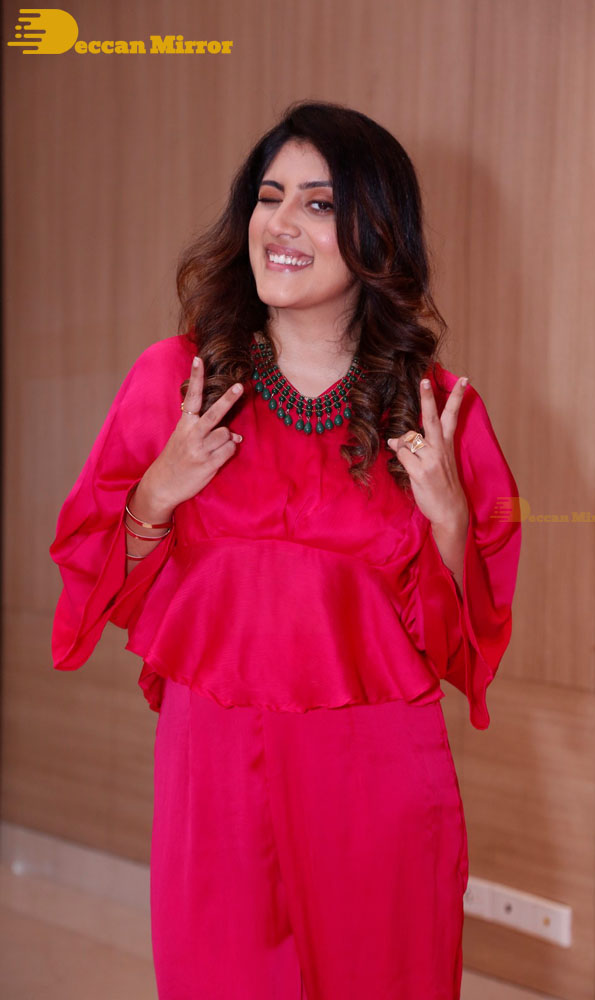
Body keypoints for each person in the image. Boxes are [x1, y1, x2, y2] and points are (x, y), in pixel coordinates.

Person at [49, 99, 521, 1000]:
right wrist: (157, 492)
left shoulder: (434, 408)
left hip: (374, 765)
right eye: (270, 198)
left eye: (318, 202)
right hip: (214, 765)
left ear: (376, 233)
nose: (281, 223)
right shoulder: (177, 380)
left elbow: (463, 641)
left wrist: (449, 520)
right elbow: (95, 574)